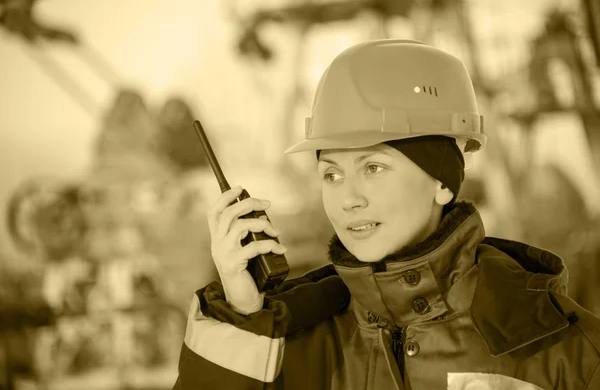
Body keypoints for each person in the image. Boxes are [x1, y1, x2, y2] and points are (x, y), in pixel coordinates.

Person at [172, 39, 600, 389]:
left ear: (443, 181)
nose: (348, 198)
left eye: (373, 168)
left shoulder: (559, 347)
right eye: (332, 174)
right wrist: (242, 316)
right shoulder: (284, 348)